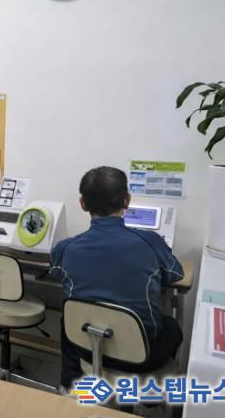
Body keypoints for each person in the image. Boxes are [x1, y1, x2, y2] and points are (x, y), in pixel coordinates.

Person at [51, 166, 184, 391]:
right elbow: (176, 274)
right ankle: (152, 393)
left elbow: (55, 271)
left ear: (82, 203)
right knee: (172, 325)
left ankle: (68, 384)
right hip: (142, 356)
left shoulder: (65, 249)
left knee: (69, 318)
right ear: (126, 201)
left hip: (86, 347)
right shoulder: (151, 242)